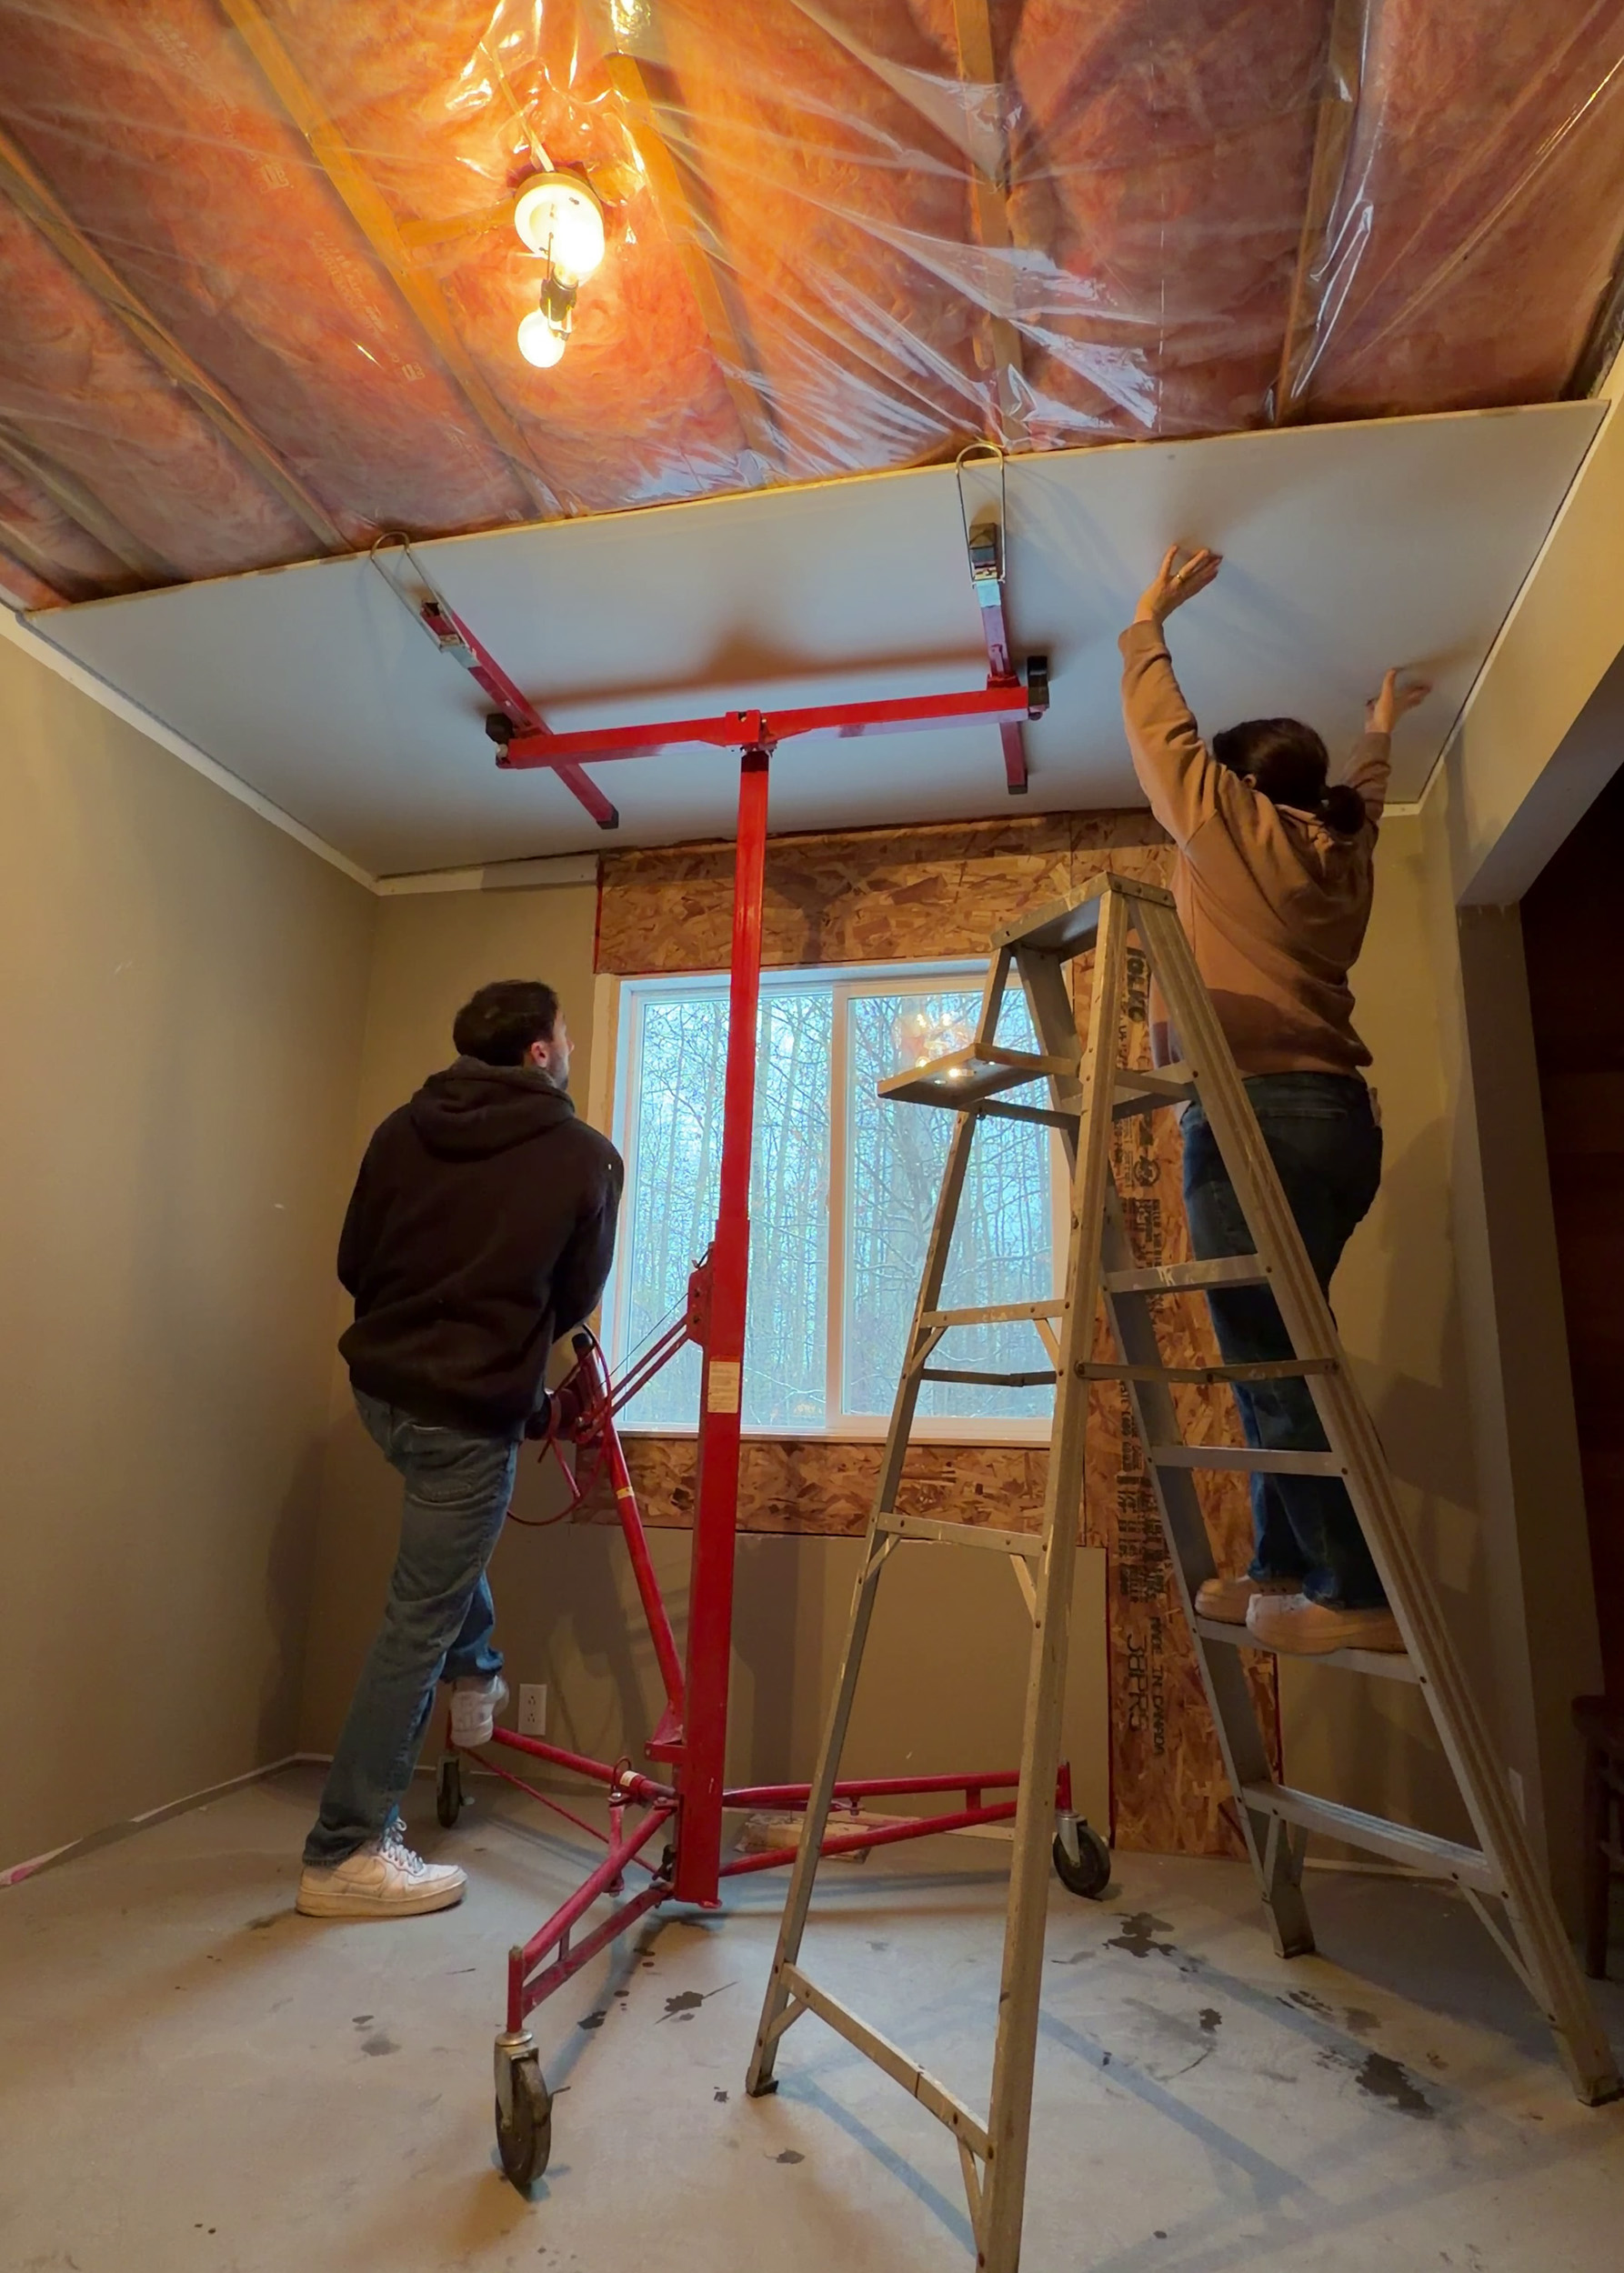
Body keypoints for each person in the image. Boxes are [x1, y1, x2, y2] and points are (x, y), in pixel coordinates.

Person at [1118, 545, 1429, 1657]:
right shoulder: (1338, 846)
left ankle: (1351, 1587)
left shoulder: (1230, 830)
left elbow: (1165, 740)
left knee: (1264, 1353)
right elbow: (1372, 797)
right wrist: (1381, 725)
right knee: (1277, 1347)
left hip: (1254, 1118)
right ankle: (1283, 1564)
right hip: (1336, 1121)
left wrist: (1146, 616)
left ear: (1243, 789)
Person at [296, 980, 623, 1918]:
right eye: (563, 1036)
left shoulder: (401, 1128)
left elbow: (354, 1262)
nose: (565, 1049)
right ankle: (344, 1849)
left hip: (382, 1396)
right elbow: (572, 1299)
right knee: (417, 1617)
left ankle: (476, 1667)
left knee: (440, 1567)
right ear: (538, 1053)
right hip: (468, 1412)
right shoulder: (585, 1158)